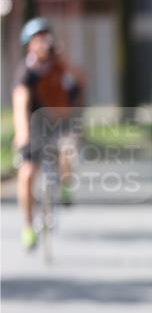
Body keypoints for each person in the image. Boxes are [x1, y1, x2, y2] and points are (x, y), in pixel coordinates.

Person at [12, 17, 86, 250]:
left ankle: (64, 185)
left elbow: (80, 82)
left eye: (46, 38)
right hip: (35, 125)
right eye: (38, 39)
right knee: (26, 174)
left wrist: (65, 60)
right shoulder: (27, 71)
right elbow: (20, 101)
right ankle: (27, 226)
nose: (43, 44)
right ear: (29, 44)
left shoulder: (59, 65)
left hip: (61, 120)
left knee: (67, 151)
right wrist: (22, 132)